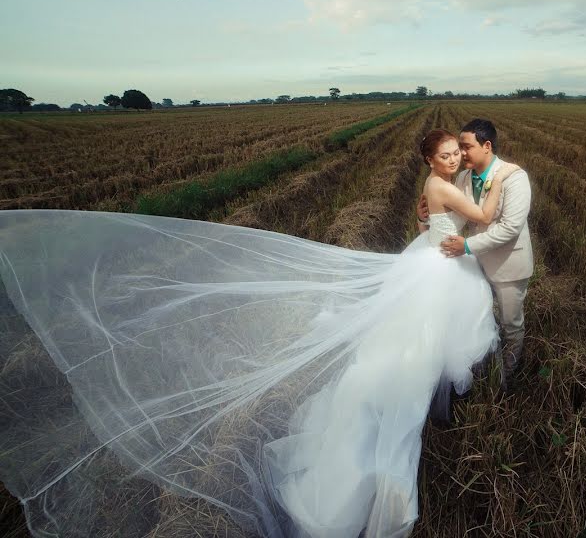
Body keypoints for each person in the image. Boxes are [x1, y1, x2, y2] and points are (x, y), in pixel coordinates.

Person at [0, 130, 519, 538]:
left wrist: (447, 202)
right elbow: (483, 216)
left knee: (416, 340)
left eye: (458, 152)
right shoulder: (449, 182)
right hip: (440, 265)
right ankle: (414, 404)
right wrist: (496, 178)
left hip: (431, 257)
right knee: (424, 342)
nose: (453, 159)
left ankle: (424, 390)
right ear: (431, 161)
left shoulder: (435, 186)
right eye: (446, 154)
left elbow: (437, 216)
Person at [417, 118, 534, 392]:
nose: (461, 155)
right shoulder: (463, 176)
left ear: (487, 146)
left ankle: (505, 381)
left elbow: (509, 228)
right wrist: (423, 215)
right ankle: (479, 373)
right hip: (470, 265)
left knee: (510, 325)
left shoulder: (514, 177)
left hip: (508, 264)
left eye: (465, 148)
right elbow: (448, 210)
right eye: (456, 149)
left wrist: (467, 246)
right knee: (476, 323)